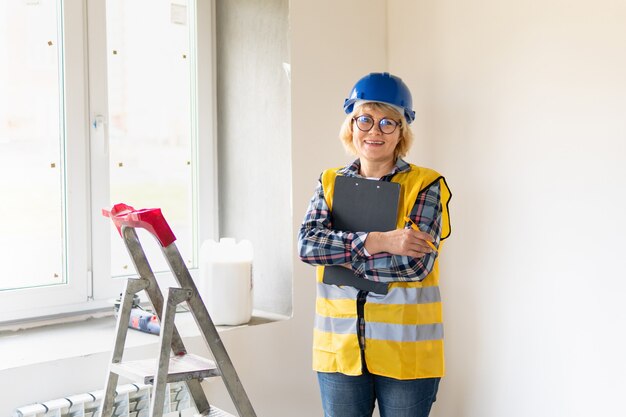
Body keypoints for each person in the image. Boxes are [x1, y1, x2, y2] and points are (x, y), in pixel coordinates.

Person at [297, 72, 452, 417]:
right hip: (340, 349)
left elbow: (414, 265)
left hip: (406, 355)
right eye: (364, 119)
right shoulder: (329, 182)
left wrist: (338, 257)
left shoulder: (426, 185)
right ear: (351, 125)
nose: (374, 131)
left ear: (402, 132)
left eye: (387, 122)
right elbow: (308, 245)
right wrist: (378, 241)